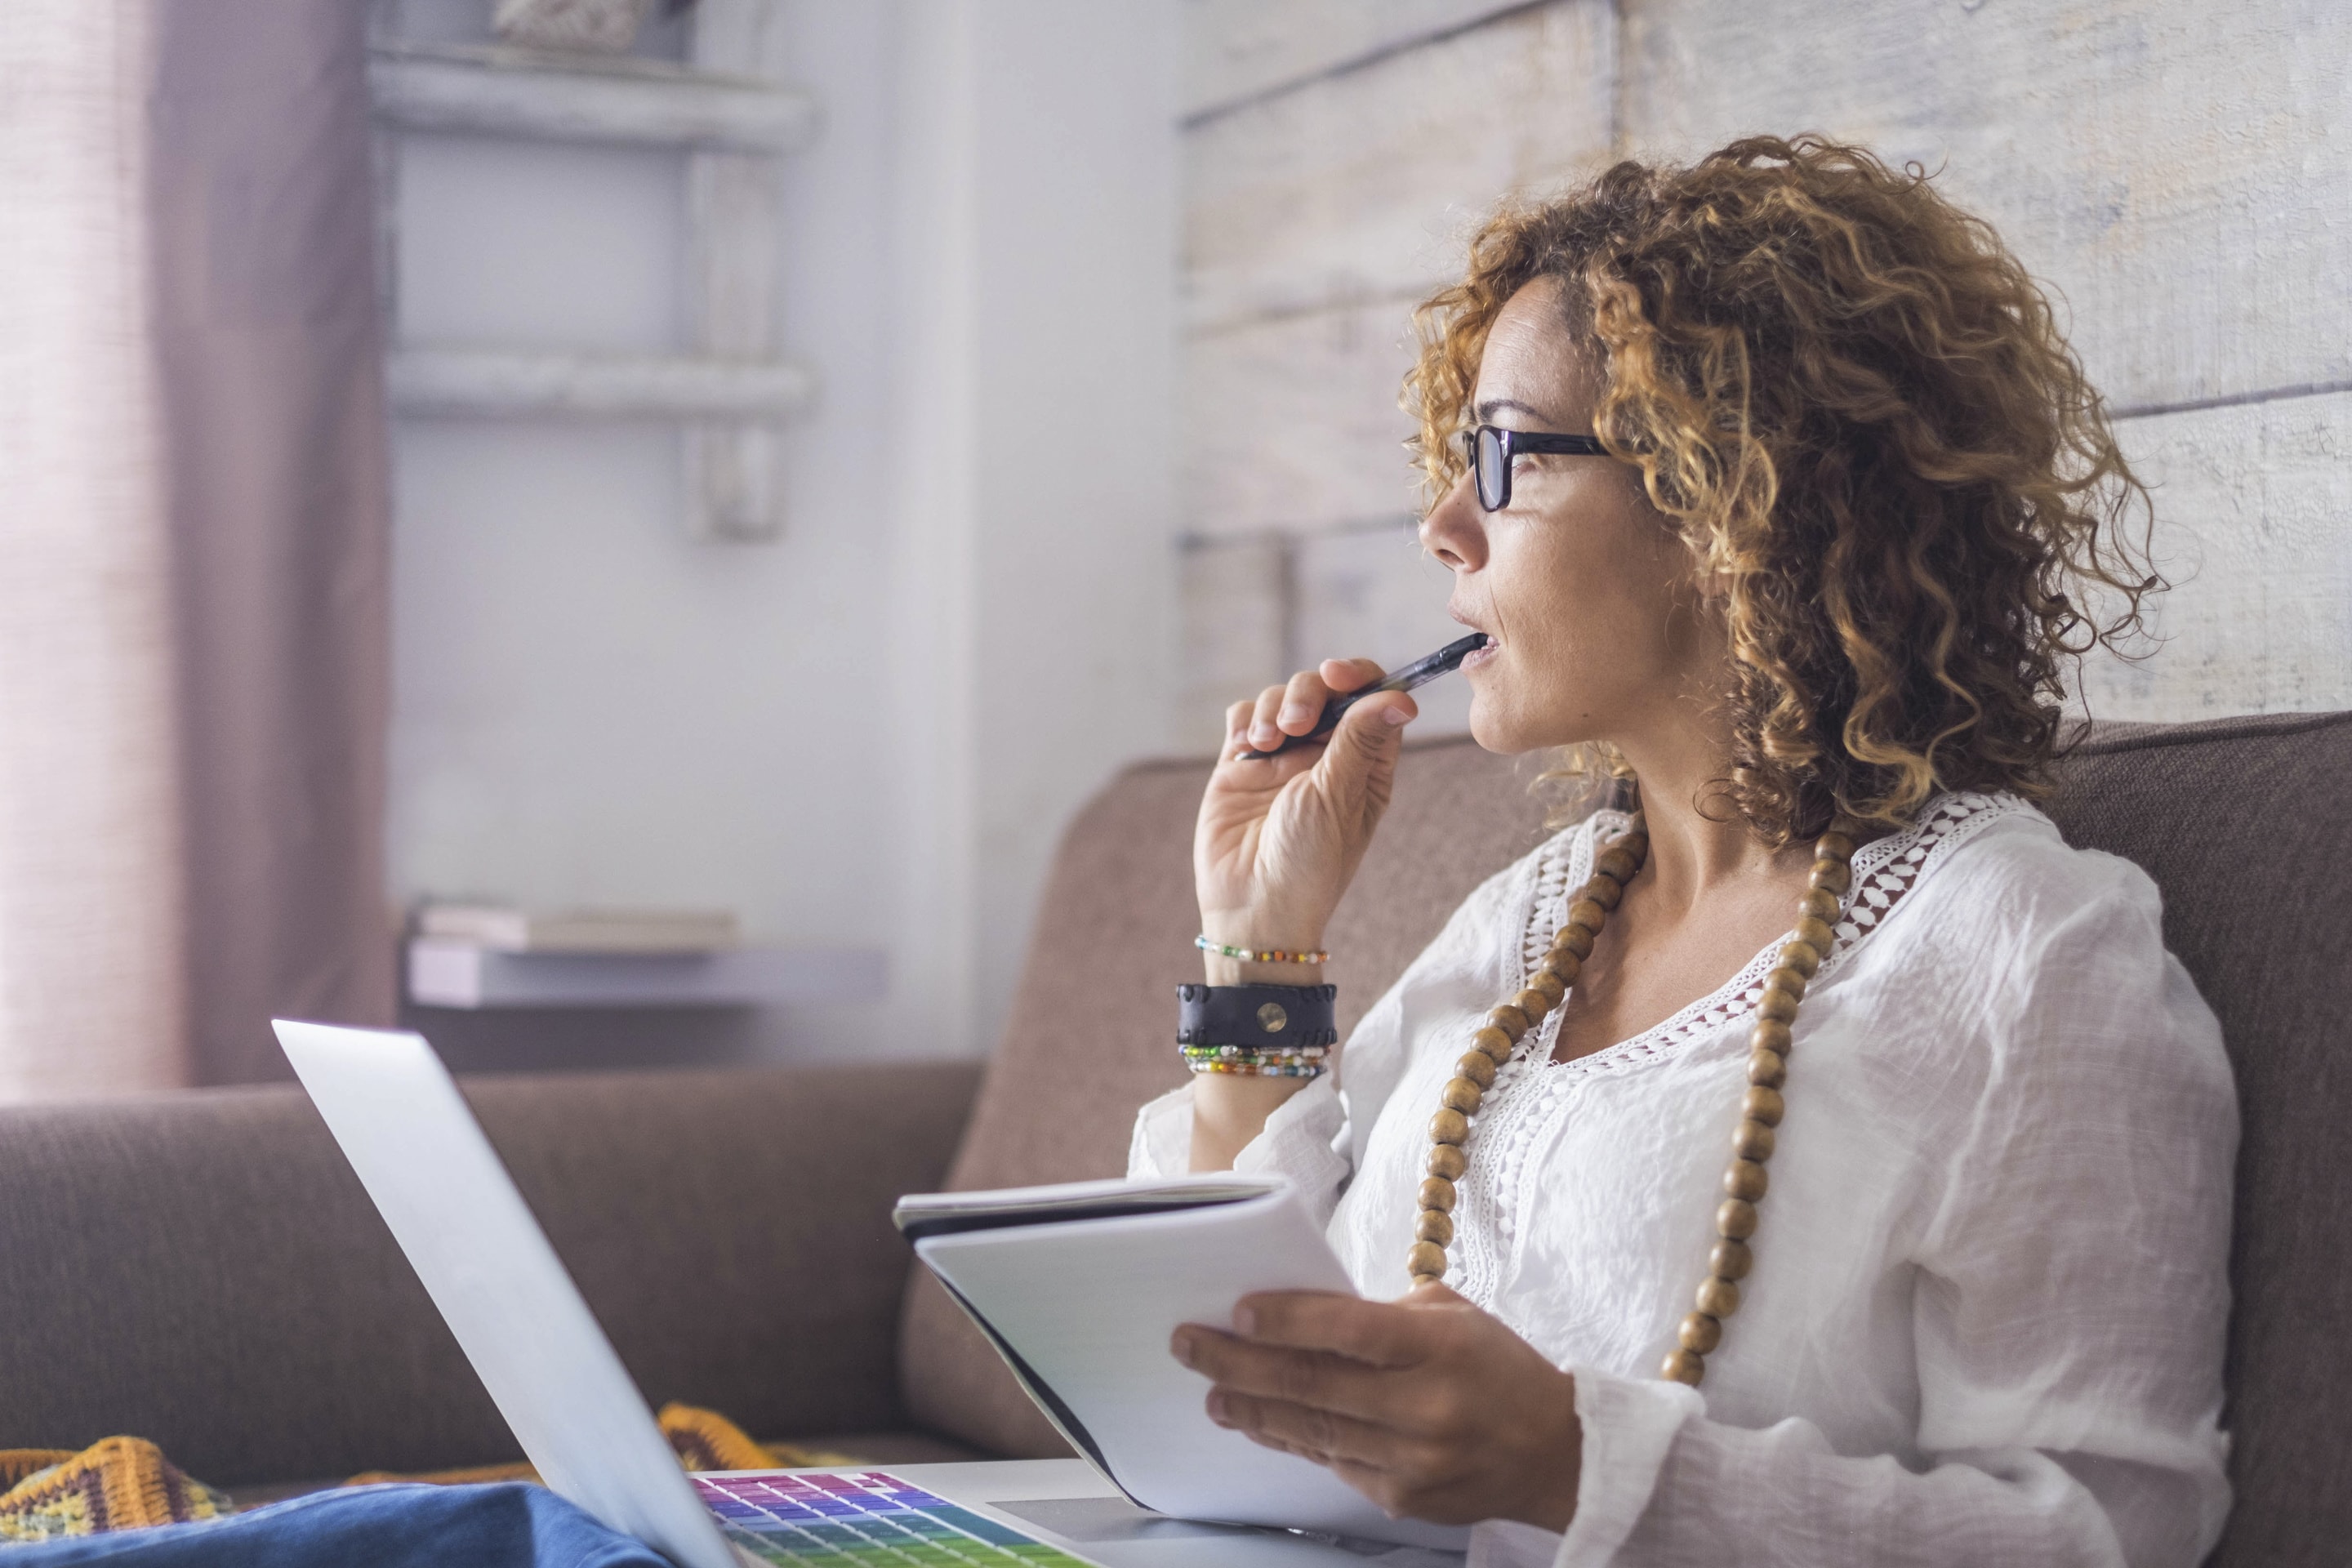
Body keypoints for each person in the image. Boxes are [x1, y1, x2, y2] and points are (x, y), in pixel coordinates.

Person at [1141, 136, 2234, 1567]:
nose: (1443, 527)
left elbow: (2114, 1535)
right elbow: (1244, 1358)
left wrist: (1573, 1462)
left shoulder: (2024, 953)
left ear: (1729, 501)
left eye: (1503, 457)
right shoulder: (1528, 919)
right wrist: (1256, 943)